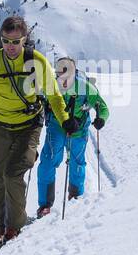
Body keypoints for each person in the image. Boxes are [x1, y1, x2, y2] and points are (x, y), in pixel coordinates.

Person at [0, 16, 75, 249]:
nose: (10, 46)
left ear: (25, 40)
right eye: (6, 41)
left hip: (28, 127)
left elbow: (53, 95)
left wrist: (65, 120)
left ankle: (14, 228)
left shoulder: (37, 61)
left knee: (13, 174)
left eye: (16, 41)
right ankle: (0, 229)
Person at [36, 57, 109, 216]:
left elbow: (102, 106)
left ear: (74, 72)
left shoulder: (86, 88)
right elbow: (38, 101)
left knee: (77, 161)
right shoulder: (51, 86)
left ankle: (75, 196)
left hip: (79, 129)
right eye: (59, 72)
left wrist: (101, 118)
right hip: (57, 126)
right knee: (48, 161)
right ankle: (45, 204)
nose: (63, 75)